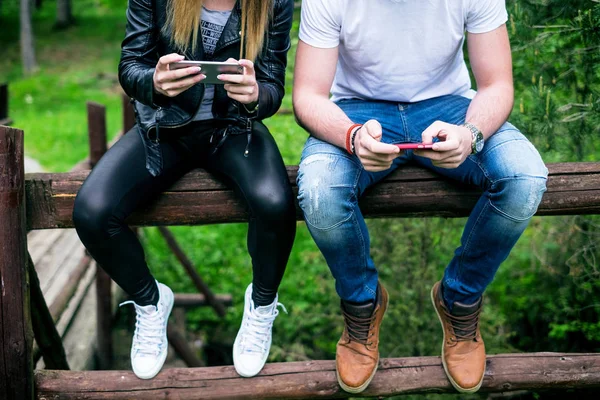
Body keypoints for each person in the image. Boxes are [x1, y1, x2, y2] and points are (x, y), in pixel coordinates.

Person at [293, 0, 548, 394]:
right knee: (318, 190)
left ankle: (459, 300)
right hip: (356, 110)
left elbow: (497, 84)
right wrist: (352, 136)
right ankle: (362, 305)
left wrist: (471, 133)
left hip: (451, 106)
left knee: (525, 177)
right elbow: (308, 96)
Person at [73, 0, 295, 380]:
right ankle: (150, 301)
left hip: (233, 129)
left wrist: (256, 95)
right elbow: (130, 67)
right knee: (91, 212)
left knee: (275, 204)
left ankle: (261, 306)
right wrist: (155, 83)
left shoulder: (274, 3)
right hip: (165, 129)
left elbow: (273, 85)